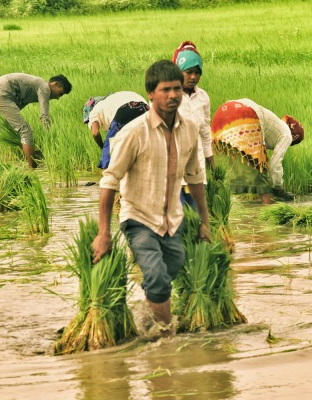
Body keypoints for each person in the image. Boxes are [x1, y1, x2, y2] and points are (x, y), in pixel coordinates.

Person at [91, 60, 211, 338]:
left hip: (173, 218)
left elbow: (195, 178)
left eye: (177, 89)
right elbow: (109, 182)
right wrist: (103, 233)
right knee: (156, 277)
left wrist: (205, 221)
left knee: (175, 265)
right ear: (150, 94)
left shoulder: (190, 129)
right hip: (138, 219)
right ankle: (166, 339)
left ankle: (144, 315)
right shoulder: (133, 133)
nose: (172, 96)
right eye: (165, 90)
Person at [211, 98, 304, 204]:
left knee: (222, 162)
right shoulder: (287, 134)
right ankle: (267, 207)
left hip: (222, 112)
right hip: (246, 113)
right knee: (259, 167)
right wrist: (278, 188)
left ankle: (217, 204)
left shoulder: (276, 124)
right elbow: (274, 164)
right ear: (294, 138)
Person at [0, 72, 72, 168]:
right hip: (1, 94)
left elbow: (17, 106)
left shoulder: (35, 87)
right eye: (60, 93)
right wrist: (51, 138)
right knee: (26, 131)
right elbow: (44, 116)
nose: (58, 98)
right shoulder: (45, 87)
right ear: (55, 84)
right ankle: (32, 169)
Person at [173, 40, 215, 210]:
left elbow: (205, 134)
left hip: (196, 171)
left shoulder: (203, 97)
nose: (193, 77)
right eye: (189, 72)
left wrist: (214, 167)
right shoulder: (168, 95)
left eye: (198, 73)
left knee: (195, 218)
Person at [83, 91, 149, 169]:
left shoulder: (94, 110)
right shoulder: (112, 99)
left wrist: (104, 147)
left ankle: (108, 177)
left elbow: (95, 133)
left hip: (124, 110)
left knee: (108, 154)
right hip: (145, 109)